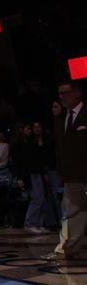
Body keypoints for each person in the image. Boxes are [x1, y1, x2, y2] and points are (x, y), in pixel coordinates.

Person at [42, 81, 87, 260]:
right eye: (59, 94)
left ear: (77, 93)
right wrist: (61, 172)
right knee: (71, 214)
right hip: (72, 176)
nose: (62, 97)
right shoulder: (62, 118)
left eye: (65, 93)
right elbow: (60, 149)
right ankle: (67, 249)